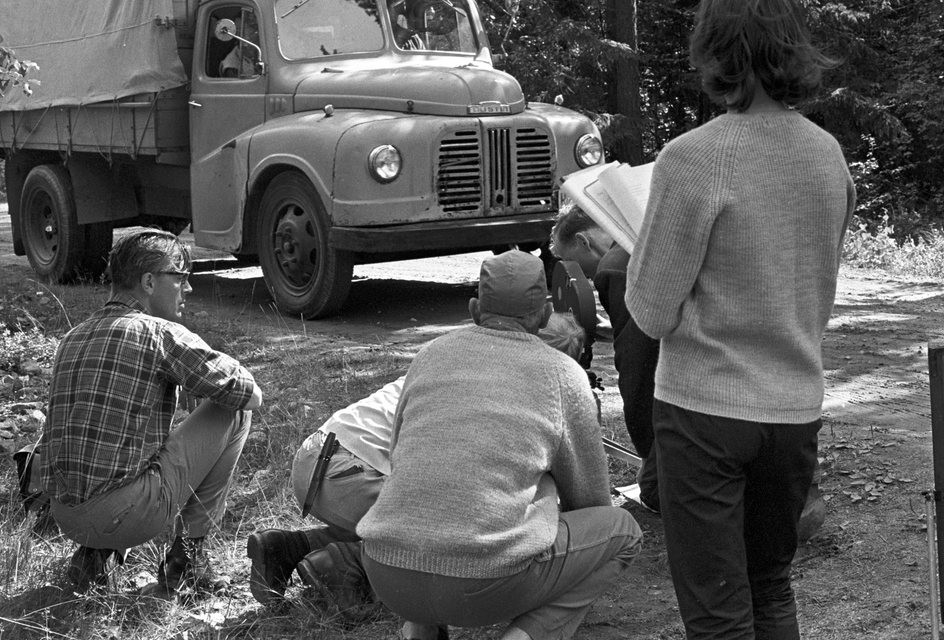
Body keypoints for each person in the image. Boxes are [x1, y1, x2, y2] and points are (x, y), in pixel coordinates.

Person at [625, 0, 855, 639]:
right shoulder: (826, 156)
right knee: (771, 589)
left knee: (718, 615)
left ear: (716, 48)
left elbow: (651, 311)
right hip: (793, 409)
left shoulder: (695, 158)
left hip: (704, 411)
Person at [355, 250, 642, 640]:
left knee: (435, 499)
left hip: (386, 574)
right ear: (543, 316)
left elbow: (401, 457)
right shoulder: (562, 374)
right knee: (622, 531)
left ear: (475, 309)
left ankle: (419, 631)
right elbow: (589, 500)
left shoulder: (428, 356)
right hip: (485, 586)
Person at [245, 312, 588, 627]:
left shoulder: (459, 360)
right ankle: (343, 562)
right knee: (458, 526)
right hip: (348, 469)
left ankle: (288, 548)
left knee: (419, 505)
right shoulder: (501, 395)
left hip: (318, 458)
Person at [40, 229, 261, 594]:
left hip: (66, 515)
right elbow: (249, 395)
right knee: (234, 411)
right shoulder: (159, 333)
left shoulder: (72, 337)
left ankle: (95, 557)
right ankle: (187, 560)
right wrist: (207, 386)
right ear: (148, 281)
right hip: (124, 516)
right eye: (180, 277)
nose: (188, 289)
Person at [550, 203, 661, 512]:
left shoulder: (615, 267)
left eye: (567, 260)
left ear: (585, 242)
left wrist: (650, 454)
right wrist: (619, 329)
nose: (574, 274)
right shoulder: (647, 231)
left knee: (655, 492)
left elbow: (637, 370)